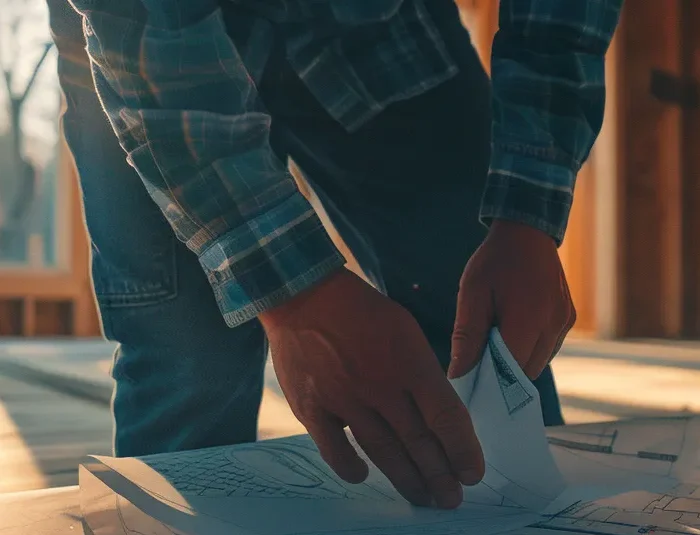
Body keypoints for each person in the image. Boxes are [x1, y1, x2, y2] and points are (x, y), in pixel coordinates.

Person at [47, 0, 622, 509]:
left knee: (492, 334)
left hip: (384, 28)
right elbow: (146, 26)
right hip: (147, 45)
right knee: (189, 362)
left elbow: (561, 16)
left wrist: (527, 214)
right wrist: (295, 298)